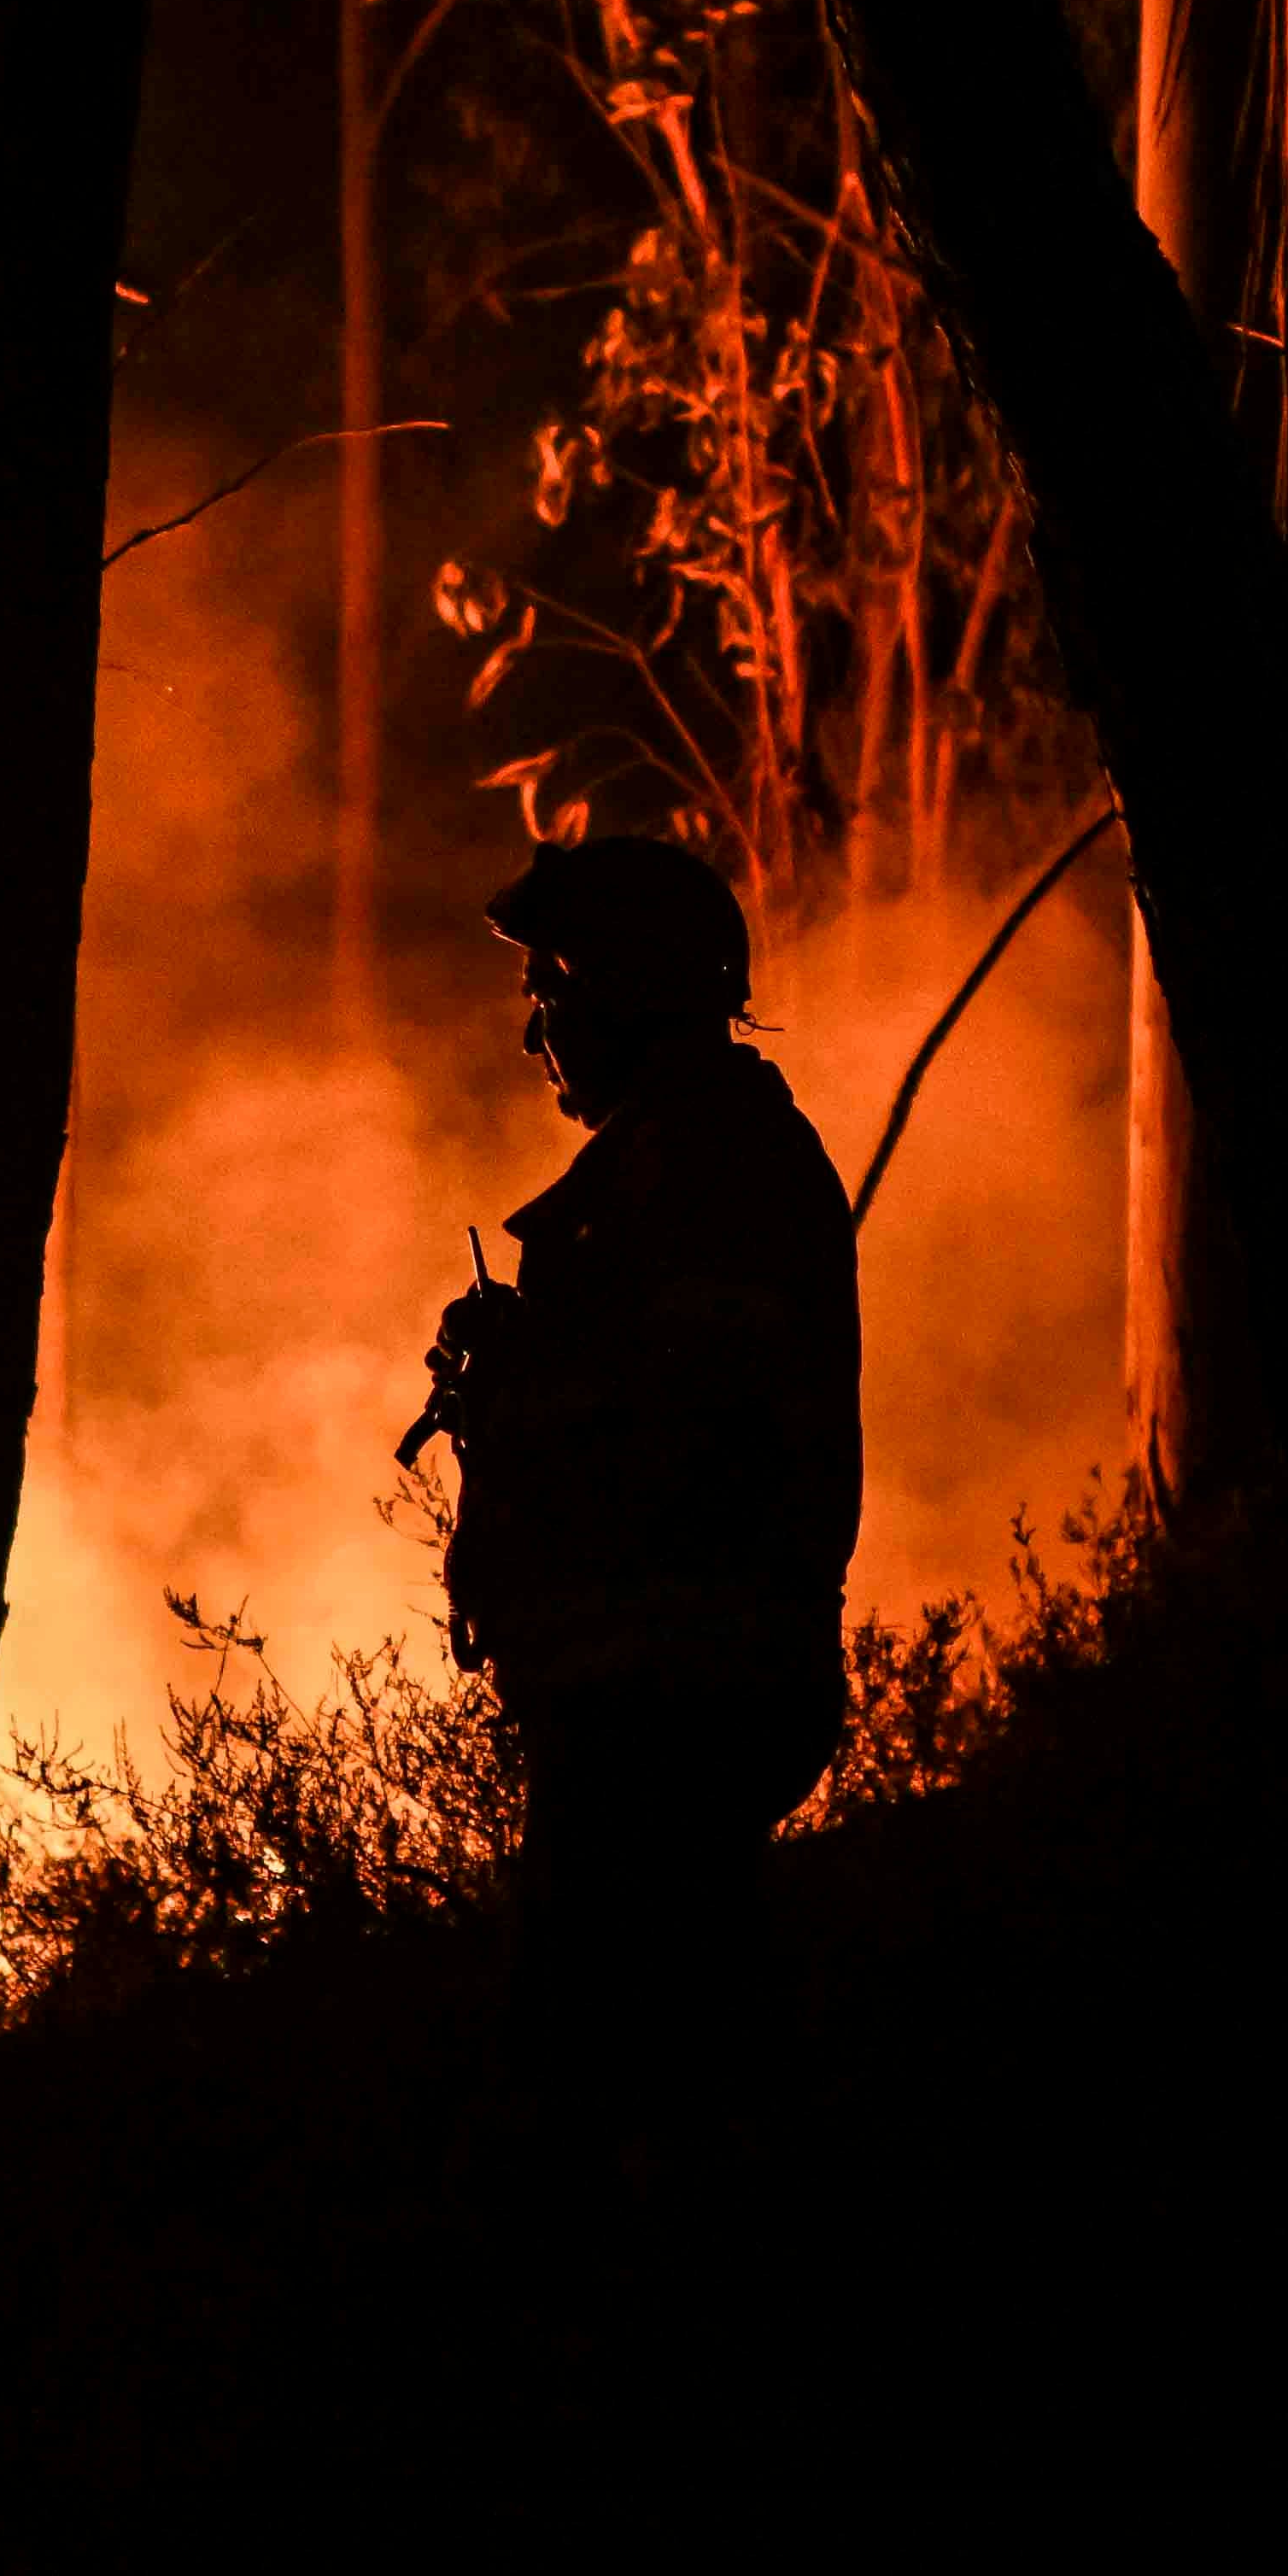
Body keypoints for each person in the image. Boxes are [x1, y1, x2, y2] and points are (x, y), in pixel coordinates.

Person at [416, 833, 862, 2141]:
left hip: (672, 1696)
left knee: (612, 2075)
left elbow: (687, 1437)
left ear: (626, 986)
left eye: (547, 995)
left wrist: (520, 1385)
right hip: (651, 1691)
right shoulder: (686, 1170)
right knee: (666, 2055)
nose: (532, 1036)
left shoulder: (709, 1175)